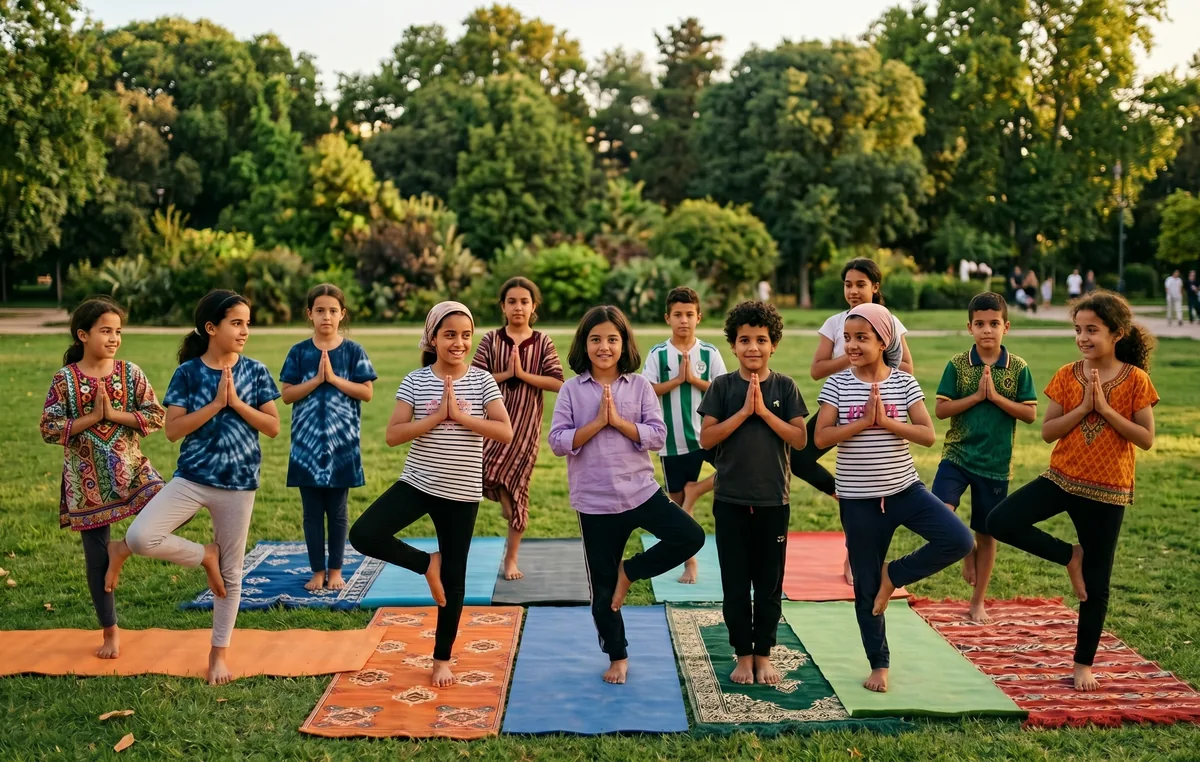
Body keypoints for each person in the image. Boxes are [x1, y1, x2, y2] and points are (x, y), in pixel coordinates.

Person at [987, 291, 1157, 692]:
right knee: (1000, 520)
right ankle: (1070, 555)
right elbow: (1047, 432)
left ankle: (1083, 664)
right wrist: (1082, 408)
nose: (1083, 337)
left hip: (1108, 491)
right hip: (1062, 479)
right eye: (1078, 329)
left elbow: (1146, 439)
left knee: (1096, 586)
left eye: (1092, 330)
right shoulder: (1067, 374)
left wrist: (1106, 409)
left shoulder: (1136, 380)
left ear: (1116, 333)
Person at [109, 290, 281, 685]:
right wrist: (215, 405)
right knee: (140, 536)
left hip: (239, 485)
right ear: (211, 327)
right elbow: (172, 430)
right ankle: (205, 555)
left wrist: (236, 403)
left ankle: (218, 654)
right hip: (192, 479)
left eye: (247, 323)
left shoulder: (254, 371)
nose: (244, 331)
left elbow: (272, 427)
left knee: (232, 574)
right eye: (236, 323)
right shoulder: (188, 372)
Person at [349, 302, 513, 688]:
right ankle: (427, 564)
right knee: (364, 534)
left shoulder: (482, 381)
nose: (459, 343)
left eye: (466, 335)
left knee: (456, 580)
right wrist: (436, 417)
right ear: (434, 338)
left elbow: (504, 431)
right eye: (450, 335)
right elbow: (393, 435)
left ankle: (442, 659)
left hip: (461, 493)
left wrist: (460, 416)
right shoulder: (416, 380)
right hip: (418, 484)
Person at [813, 302, 973, 694]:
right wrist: (862, 424)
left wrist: (885, 422)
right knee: (866, 590)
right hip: (858, 500)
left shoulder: (903, 382)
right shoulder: (837, 384)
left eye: (861, 338)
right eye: (847, 338)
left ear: (884, 341)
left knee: (959, 540)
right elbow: (820, 438)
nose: (851, 345)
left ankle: (894, 575)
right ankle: (879, 664)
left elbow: (926, 434)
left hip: (904, 490)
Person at [548, 305, 704, 685]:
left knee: (691, 537)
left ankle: (629, 571)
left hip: (641, 492)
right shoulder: (571, 390)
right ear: (584, 344)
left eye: (612, 339)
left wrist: (618, 422)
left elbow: (657, 435)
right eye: (596, 339)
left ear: (624, 344)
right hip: (595, 502)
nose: (604, 347)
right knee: (602, 593)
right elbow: (557, 442)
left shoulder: (638, 387)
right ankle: (617, 655)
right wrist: (596, 424)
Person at [40, 299, 165, 659]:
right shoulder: (64, 380)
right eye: (106, 331)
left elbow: (155, 416)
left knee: (174, 503)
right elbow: (49, 428)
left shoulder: (130, 373)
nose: (114, 338)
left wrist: (114, 415)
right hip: (87, 481)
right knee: (96, 561)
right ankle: (111, 633)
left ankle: (122, 548)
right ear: (83, 335)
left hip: (132, 470)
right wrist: (91, 418)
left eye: (118, 331)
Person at [698, 301, 807, 685]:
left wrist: (763, 411)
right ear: (733, 344)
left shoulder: (786, 387)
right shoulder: (723, 387)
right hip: (730, 501)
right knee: (735, 582)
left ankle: (764, 654)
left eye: (761, 340)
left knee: (769, 583)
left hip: (773, 503)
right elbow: (706, 438)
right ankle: (742, 656)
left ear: (773, 344)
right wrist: (743, 412)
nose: (753, 348)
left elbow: (799, 437)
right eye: (744, 340)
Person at [794, 258, 915, 585]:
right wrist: (850, 353)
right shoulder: (835, 322)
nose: (853, 290)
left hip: (877, 410)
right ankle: (841, 494)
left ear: (875, 287)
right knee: (798, 456)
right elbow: (817, 369)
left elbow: (907, 368)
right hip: (840, 405)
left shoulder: (889, 321)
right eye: (848, 284)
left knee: (871, 484)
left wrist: (872, 359)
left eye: (860, 284)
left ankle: (854, 558)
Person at [931, 293, 1038, 623]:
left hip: (995, 464)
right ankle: (967, 549)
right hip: (957, 455)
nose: (987, 330)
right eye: (980, 324)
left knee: (987, 532)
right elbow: (941, 409)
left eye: (994, 324)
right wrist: (977, 396)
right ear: (970, 327)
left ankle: (978, 601)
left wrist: (995, 398)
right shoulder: (958, 365)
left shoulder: (1018, 368)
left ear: (1006, 326)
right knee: (937, 513)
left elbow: (1030, 414)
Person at [279, 284, 377, 593]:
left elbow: (367, 392)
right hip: (306, 448)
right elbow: (287, 394)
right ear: (310, 314)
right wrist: (316, 380)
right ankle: (317, 571)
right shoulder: (299, 351)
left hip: (341, 447)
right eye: (320, 310)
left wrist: (334, 379)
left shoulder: (353, 351)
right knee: (311, 514)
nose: (326, 316)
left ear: (342, 314)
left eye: (333, 311)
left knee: (337, 512)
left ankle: (335, 570)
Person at [472, 277, 564, 580]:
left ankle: (510, 560)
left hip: (525, 429)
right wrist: (505, 374)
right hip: (492, 426)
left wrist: (523, 374)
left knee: (519, 495)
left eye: (524, 301)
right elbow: (472, 381)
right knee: (479, 470)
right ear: (503, 306)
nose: (518, 307)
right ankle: (499, 490)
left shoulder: (542, 342)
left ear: (533, 306)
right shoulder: (491, 340)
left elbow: (557, 382)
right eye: (512, 301)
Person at [643, 286, 727, 583]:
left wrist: (693, 380)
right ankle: (690, 563)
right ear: (668, 318)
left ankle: (697, 490)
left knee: (736, 468)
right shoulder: (658, 354)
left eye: (689, 314)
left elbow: (724, 390)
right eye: (677, 315)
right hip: (673, 440)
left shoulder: (709, 353)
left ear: (699, 317)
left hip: (709, 434)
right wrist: (678, 380)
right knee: (677, 509)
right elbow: (647, 390)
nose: (683, 320)